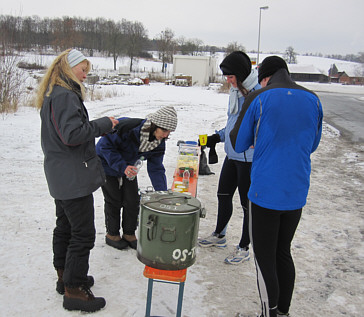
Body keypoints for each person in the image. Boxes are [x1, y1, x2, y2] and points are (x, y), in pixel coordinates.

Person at [230, 56, 323, 317]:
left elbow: (238, 143)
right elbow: (312, 144)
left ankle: (267, 313)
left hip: (265, 192)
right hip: (296, 191)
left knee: (263, 257)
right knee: (283, 252)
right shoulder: (313, 99)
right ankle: (282, 311)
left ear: (265, 77)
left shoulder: (259, 97)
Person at [37, 49, 119, 312]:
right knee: (82, 233)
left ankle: (67, 277)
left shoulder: (55, 93)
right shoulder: (64, 96)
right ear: (69, 68)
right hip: (72, 178)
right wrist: (104, 124)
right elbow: (73, 135)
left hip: (61, 176)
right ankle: (75, 290)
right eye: (83, 69)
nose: (86, 74)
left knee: (65, 227)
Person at [198, 51, 260, 265]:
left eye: (231, 76)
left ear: (241, 74)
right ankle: (220, 234)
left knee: (246, 204)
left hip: (249, 159)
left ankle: (244, 247)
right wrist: (217, 136)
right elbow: (234, 124)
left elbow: (261, 128)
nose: (228, 80)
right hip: (232, 155)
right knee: (223, 194)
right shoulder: (236, 92)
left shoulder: (258, 93)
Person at [96, 106, 178, 250]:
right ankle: (112, 235)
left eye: (169, 132)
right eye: (164, 130)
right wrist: (122, 167)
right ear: (154, 125)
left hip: (129, 166)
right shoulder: (126, 127)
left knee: (132, 200)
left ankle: (129, 233)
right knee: (114, 199)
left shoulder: (158, 142)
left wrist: (162, 193)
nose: (166, 135)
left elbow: (156, 168)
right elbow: (105, 146)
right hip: (106, 163)